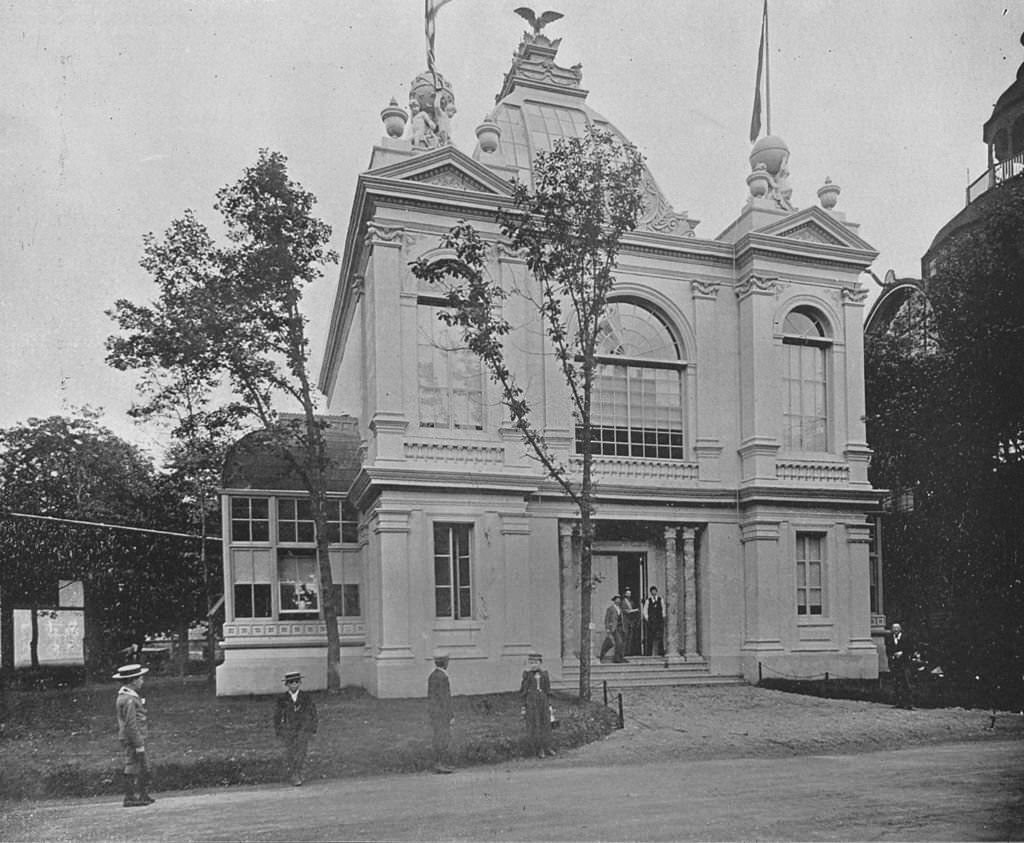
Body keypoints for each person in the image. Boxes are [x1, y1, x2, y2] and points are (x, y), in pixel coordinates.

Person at [113, 663, 154, 808]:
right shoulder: (129, 699)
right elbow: (131, 724)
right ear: (133, 681)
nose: (142, 681)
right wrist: (138, 744)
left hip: (134, 737)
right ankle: (130, 796)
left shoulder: (128, 696)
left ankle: (142, 794)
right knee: (133, 765)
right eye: (140, 678)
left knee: (142, 765)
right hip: (133, 738)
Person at [274, 671, 318, 785]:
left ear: (300, 683)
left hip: (303, 729)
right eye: (291, 683)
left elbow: (313, 713)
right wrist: (278, 730)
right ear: (286, 685)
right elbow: (277, 715)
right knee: (291, 751)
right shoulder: (282, 699)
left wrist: (312, 728)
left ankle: (297, 773)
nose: (294, 685)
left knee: (301, 751)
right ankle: (292, 772)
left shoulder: (306, 697)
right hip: (289, 730)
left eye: (296, 682)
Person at [519, 652, 554, 758]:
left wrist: (550, 705)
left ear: (540, 663)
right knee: (536, 724)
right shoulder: (527, 675)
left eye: (535, 662)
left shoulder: (544, 675)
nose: (533, 665)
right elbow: (523, 691)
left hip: (543, 701)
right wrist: (524, 706)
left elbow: (548, 690)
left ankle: (547, 747)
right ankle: (539, 749)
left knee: (545, 724)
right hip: (532, 702)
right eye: (531, 663)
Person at [427, 651, 454, 773]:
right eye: (447, 660)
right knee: (443, 737)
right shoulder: (442, 677)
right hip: (441, 713)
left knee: (439, 736)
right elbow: (445, 698)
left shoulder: (433, 675)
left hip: (435, 712)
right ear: (444, 662)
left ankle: (440, 762)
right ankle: (440, 763)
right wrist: (450, 715)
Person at [885, 622, 914, 709]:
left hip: (904, 663)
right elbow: (888, 650)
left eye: (897, 628)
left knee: (907, 683)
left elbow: (910, 649)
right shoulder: (889, 638)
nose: (895, 630)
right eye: (894, 628)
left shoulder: (906, 638)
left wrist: (903, 653)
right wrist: (893, 655)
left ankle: (909, 703)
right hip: (895, 664)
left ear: (900, 629)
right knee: (897, 683)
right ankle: (898, 702)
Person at [598, 595, 626, 663]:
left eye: (619, 599)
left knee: (621, 643)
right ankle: (616, 658)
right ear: (614, 600)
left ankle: (620, 657)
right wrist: (607, 628)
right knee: (618, 642)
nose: (618, 601)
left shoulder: (620, 608)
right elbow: (607, 619)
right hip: (614, 627)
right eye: (617, 599)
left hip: (620, 627)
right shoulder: (610, 608)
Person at [642, 586, 666, 657]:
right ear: (651, 592)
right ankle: (649, 653)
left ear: (656, 591)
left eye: (654, 591)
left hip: (659, 621)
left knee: (660, 637)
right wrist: (647, 618)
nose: (653, 592)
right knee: (650, 637)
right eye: (652, 591)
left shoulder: (660, 599)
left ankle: (661, 652)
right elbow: (645, 610)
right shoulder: (648, 600)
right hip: (651, 621)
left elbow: (663, 609)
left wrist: (663, 617)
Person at [622, 588, 641, 656]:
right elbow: (626, 611)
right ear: (625, 594)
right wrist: (635, 610)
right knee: (625, 636)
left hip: (631, 621)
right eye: (627, 593)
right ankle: (624, 652)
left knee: (631, 637)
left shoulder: (632, 602)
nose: (629, 595)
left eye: (630, 593)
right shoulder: (623, 602)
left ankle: (629, 652)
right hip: (625, 621)